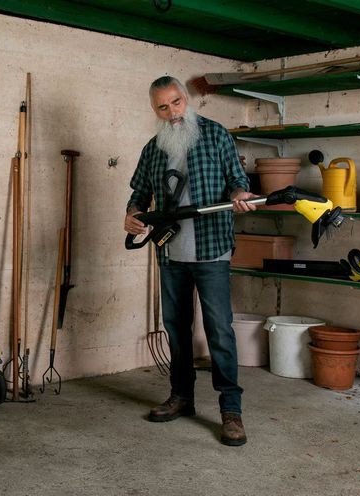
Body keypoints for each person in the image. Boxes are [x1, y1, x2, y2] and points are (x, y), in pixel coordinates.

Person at [124, 75, 257, 447]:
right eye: (162, 107)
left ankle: (231, 409)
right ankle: (182, 397)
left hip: (211, 249)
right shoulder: (153, 148)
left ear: (186, 99)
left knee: (219, 331)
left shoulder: (215, 135)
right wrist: (132, 214)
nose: (172, 112)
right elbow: (139, 193)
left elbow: (236, 180)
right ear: (155, 111)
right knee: (177, 330)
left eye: (176, 103)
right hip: (170, 251)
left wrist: (241, 193)